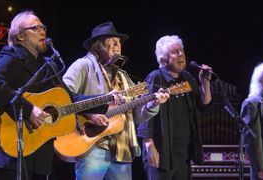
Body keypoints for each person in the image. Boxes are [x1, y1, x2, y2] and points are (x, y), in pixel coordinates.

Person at [0, 11, 108, 180]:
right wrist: (29, 109)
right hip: (13, 148)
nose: (43, 31)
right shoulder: (12, 57)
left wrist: (107, 98)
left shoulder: (48, 66)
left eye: (43, 27)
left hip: (41, 154)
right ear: (21, 36)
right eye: (36, 28)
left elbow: (70, 98)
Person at [62, 22, 169, 180]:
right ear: (97, 46)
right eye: (111, 41)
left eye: (118, 42)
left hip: (121, 150)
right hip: (92, 146)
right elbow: (63, 97)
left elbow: (136, 116)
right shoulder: (83, 66)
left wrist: (154, 104)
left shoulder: (123, 77)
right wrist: (90, 114)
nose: (117, 45)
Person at [137, 35, 212, 180]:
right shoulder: (155, 78)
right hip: (161, 150)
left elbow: (203, 105)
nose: (180, 54)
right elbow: (143, 113)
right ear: (163, 60)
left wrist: (205, 83)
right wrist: (149, 144)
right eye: (174, 52)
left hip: (183, 152)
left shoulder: (187, 78)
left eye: (181, 51)